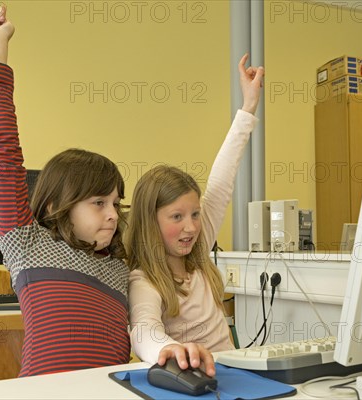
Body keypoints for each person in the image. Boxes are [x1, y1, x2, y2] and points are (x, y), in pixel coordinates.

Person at [0, 6, 130, 377]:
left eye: (115, 203)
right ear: (56, 205)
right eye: (98, 203)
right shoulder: (28, 244)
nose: (112, 213)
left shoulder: (122, 266)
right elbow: (2, 151)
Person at [125, 55, 264, 376]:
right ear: (150, 222)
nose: (190, 227)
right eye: (176, 217)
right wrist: (167, 348)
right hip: (202, 377)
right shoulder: (145, 280)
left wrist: (249, 105)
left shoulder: (199, 247)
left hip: (236, 372)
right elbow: (144, 329)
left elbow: (222, 177)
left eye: (196, 214)